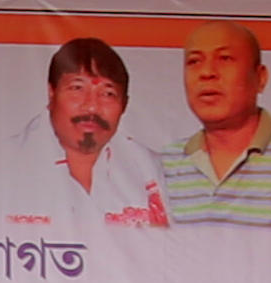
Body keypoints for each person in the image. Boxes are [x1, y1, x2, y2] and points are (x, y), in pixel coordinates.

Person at [156, 21, 271, 229]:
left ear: (260, 78)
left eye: (225, 58)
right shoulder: (163, 165)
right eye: (194, 61)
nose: (207, 72)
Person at [16, 37, 163, 228]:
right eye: (77, 88)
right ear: (51, 93)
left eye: (107, 93)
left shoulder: (153, 172)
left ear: (124, 104)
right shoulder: (6, 164)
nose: (92, 107)